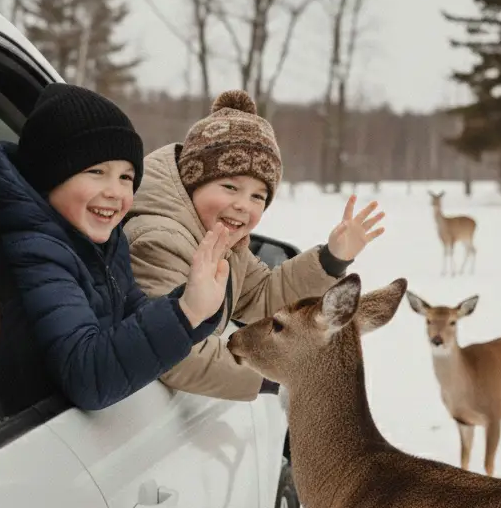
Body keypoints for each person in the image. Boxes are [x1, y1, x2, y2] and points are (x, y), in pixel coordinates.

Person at [0, 83, 230, 412]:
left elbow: (130, 310)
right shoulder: (35, 250)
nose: (115, 192)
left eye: (126, 177)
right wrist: (186, 313)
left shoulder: (100, 242)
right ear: (49, 176)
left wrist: (190, 304)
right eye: (96, 172)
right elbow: (87, 376)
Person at [124, 89, 386, 401]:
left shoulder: (219, 239)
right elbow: (175, 354)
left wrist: (332, 259)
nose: (243, 206)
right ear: (193, 179)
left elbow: (261, 296)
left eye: (257, 196)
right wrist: (278, 375)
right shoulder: (162, 240)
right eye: (230, 186)